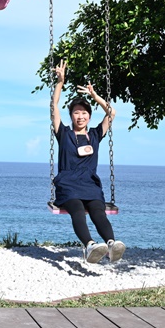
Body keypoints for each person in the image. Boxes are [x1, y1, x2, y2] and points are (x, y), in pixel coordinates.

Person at [51, 59, 126, 264]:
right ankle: (90, 245)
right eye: (76, 112)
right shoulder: (64, 133)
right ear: (71, 116)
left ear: (89, 117)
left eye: (84, 112)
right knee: (76, 209)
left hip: (90, 184)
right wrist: (60, 82)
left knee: (97, 211)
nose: (80, 116)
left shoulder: (94, 135)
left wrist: (94, 96)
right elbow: (54, 106)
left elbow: (112, 113)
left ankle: (111, 244)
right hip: (68, 183)